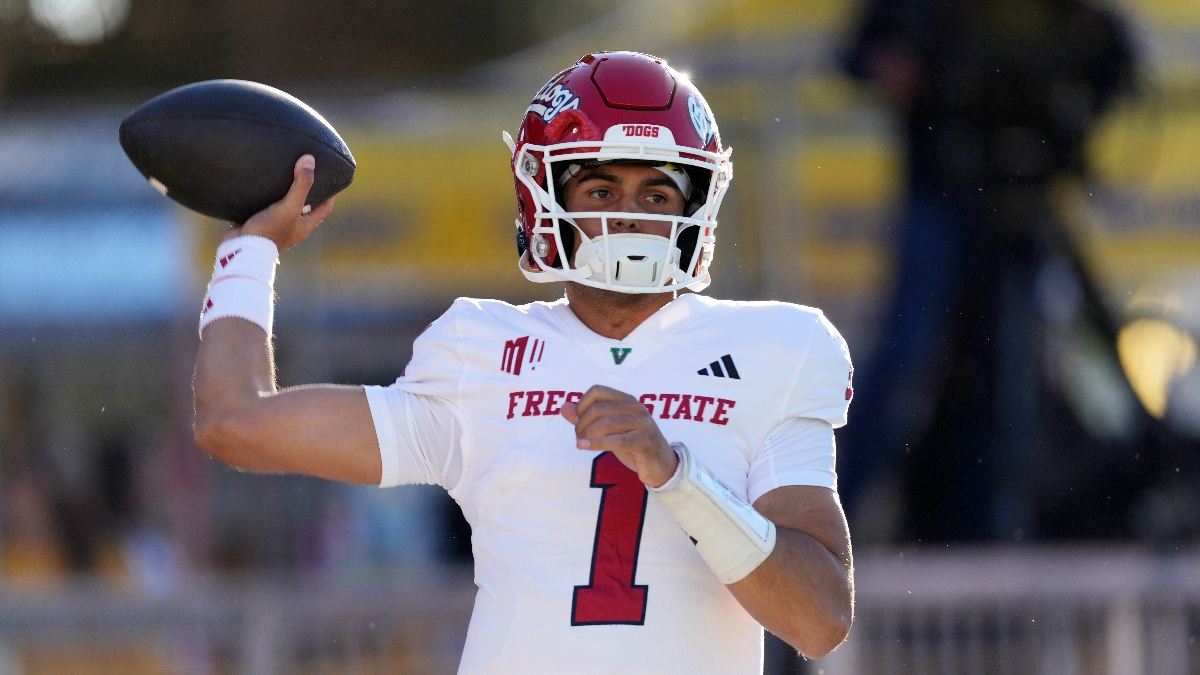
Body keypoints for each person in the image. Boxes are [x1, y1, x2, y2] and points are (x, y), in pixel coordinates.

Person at [194, 51, 854, 673]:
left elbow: (820, 618)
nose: (628, 218)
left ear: (697, 205)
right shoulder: (479, 351)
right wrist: (250, 253)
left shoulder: (775, 349)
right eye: (600, 190)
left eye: (656, 195)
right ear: (546, 199)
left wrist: (678, 475)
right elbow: (235, 421)